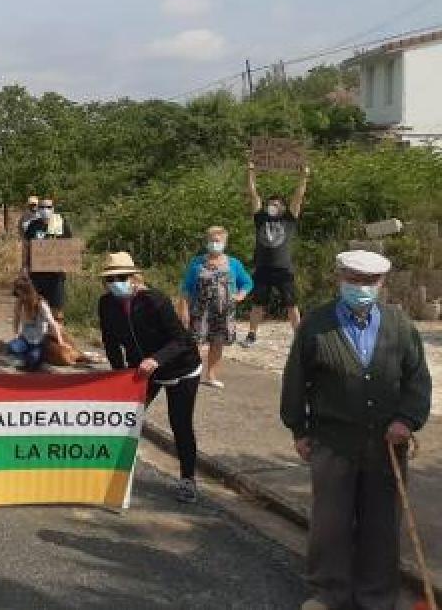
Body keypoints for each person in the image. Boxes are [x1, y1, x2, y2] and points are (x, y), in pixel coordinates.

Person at [281, 250, 432, 610]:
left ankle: (376, 596)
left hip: (386, 443)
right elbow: (295, 381)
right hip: (333, 440)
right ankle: (328, 593)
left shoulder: (400, 325)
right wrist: (299, 430)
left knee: (381, 523)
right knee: (330, 522)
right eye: (354, 279)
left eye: (369, 282)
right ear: (340, 277)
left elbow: (417, 381)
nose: (361, 287)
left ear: (381, 283)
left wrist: (406, 420)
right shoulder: (316, 324)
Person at [97, 252, 203, 504]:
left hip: (180, 368)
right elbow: (110, 342)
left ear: (134, 277)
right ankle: (114, 473)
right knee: (124, 419)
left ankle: (188, 479)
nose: (116, 283)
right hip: (142, 370)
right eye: (110, 279)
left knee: (180, 423)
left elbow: (182, 340)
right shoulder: (106, 304)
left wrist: (157, 359)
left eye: (121, 277)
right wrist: (118, 375)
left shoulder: (155, 301)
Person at [244, 161, 310, 346]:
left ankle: (299, 336)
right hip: (263, 268)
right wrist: (251, 171)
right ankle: (251, 335)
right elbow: (253, 194)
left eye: (275, 203)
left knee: (291, 304)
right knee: (258, 304)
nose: (272, 205)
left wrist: (303, 176)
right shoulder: (260, 219)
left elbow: (298, 197)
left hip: (283, 270)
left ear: (282, 206)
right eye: (270, 203)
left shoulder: (288, 219)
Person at [180, 226, 253, 389]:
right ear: (207, 242)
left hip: (224, 312)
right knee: (195, 343)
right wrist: (184, 309)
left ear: (225, 242)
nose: (214, 244)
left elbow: (247, 282)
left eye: (218, 240)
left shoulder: (234, 263)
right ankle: (190, 373)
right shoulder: (197, 263)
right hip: (200, 311)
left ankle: (211, 375)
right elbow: (186, 287)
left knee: (217, 343)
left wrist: (241, 295)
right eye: (212, 240)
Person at [6, 275, 93, 370]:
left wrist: (61, 341)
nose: (18, 296)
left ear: (26, 292)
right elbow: (16, 318)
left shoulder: (40, 304)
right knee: (12, 347)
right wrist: (16, 334)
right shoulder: (20, 303)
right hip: (25, 339)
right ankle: (23, 357)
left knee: (33, 359)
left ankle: (27, 358)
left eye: (19, 293)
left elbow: (53, 323)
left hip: (39, 341)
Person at [21, 197, 73, 322]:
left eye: (49, 207)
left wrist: (66, 264)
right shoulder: (33, 225)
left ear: (53, 209)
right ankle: (37, 337)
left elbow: (68, 246)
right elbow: (26, 246)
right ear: (39, 209)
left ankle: (56, 337)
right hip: (36, 274)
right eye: (43, 207)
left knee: (57, 310)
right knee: (35, 307)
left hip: (56, 275)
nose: (46, 210)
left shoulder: (61, 224)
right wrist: (24, 266)